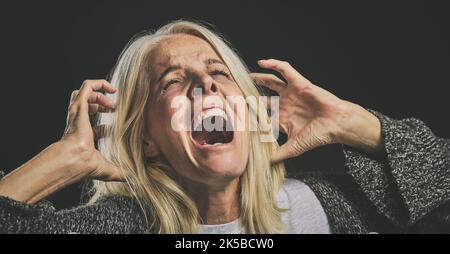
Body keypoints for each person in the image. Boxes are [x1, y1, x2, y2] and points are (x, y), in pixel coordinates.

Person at [0, 20, 449, 234]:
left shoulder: (318, 207)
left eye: (218, 72)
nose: (205, 83)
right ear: (148, 141)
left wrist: (351, 124)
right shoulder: (118, 227)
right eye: (172, 80)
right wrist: (65, 158)